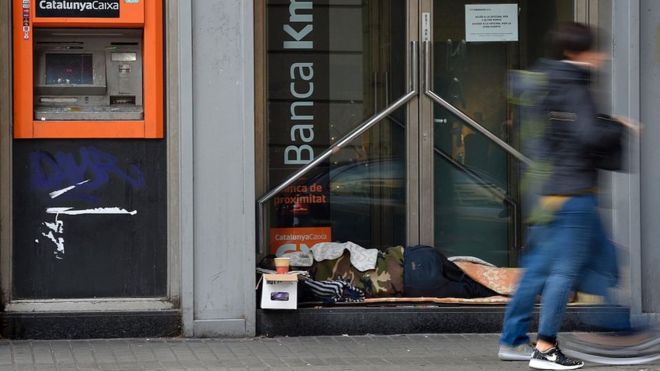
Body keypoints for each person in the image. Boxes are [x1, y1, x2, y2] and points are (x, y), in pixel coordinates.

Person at [497, 22, 636, 370]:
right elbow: (588, 135)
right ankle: (548, 347)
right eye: (595, 49)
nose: (601, 56)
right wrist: (618, 126)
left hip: (547, 191)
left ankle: (513, 339)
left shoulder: (545, 80)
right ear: (578, 53)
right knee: (568, 271)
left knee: (543, 268)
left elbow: (561, 132)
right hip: (573, 192)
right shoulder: (574, 85)